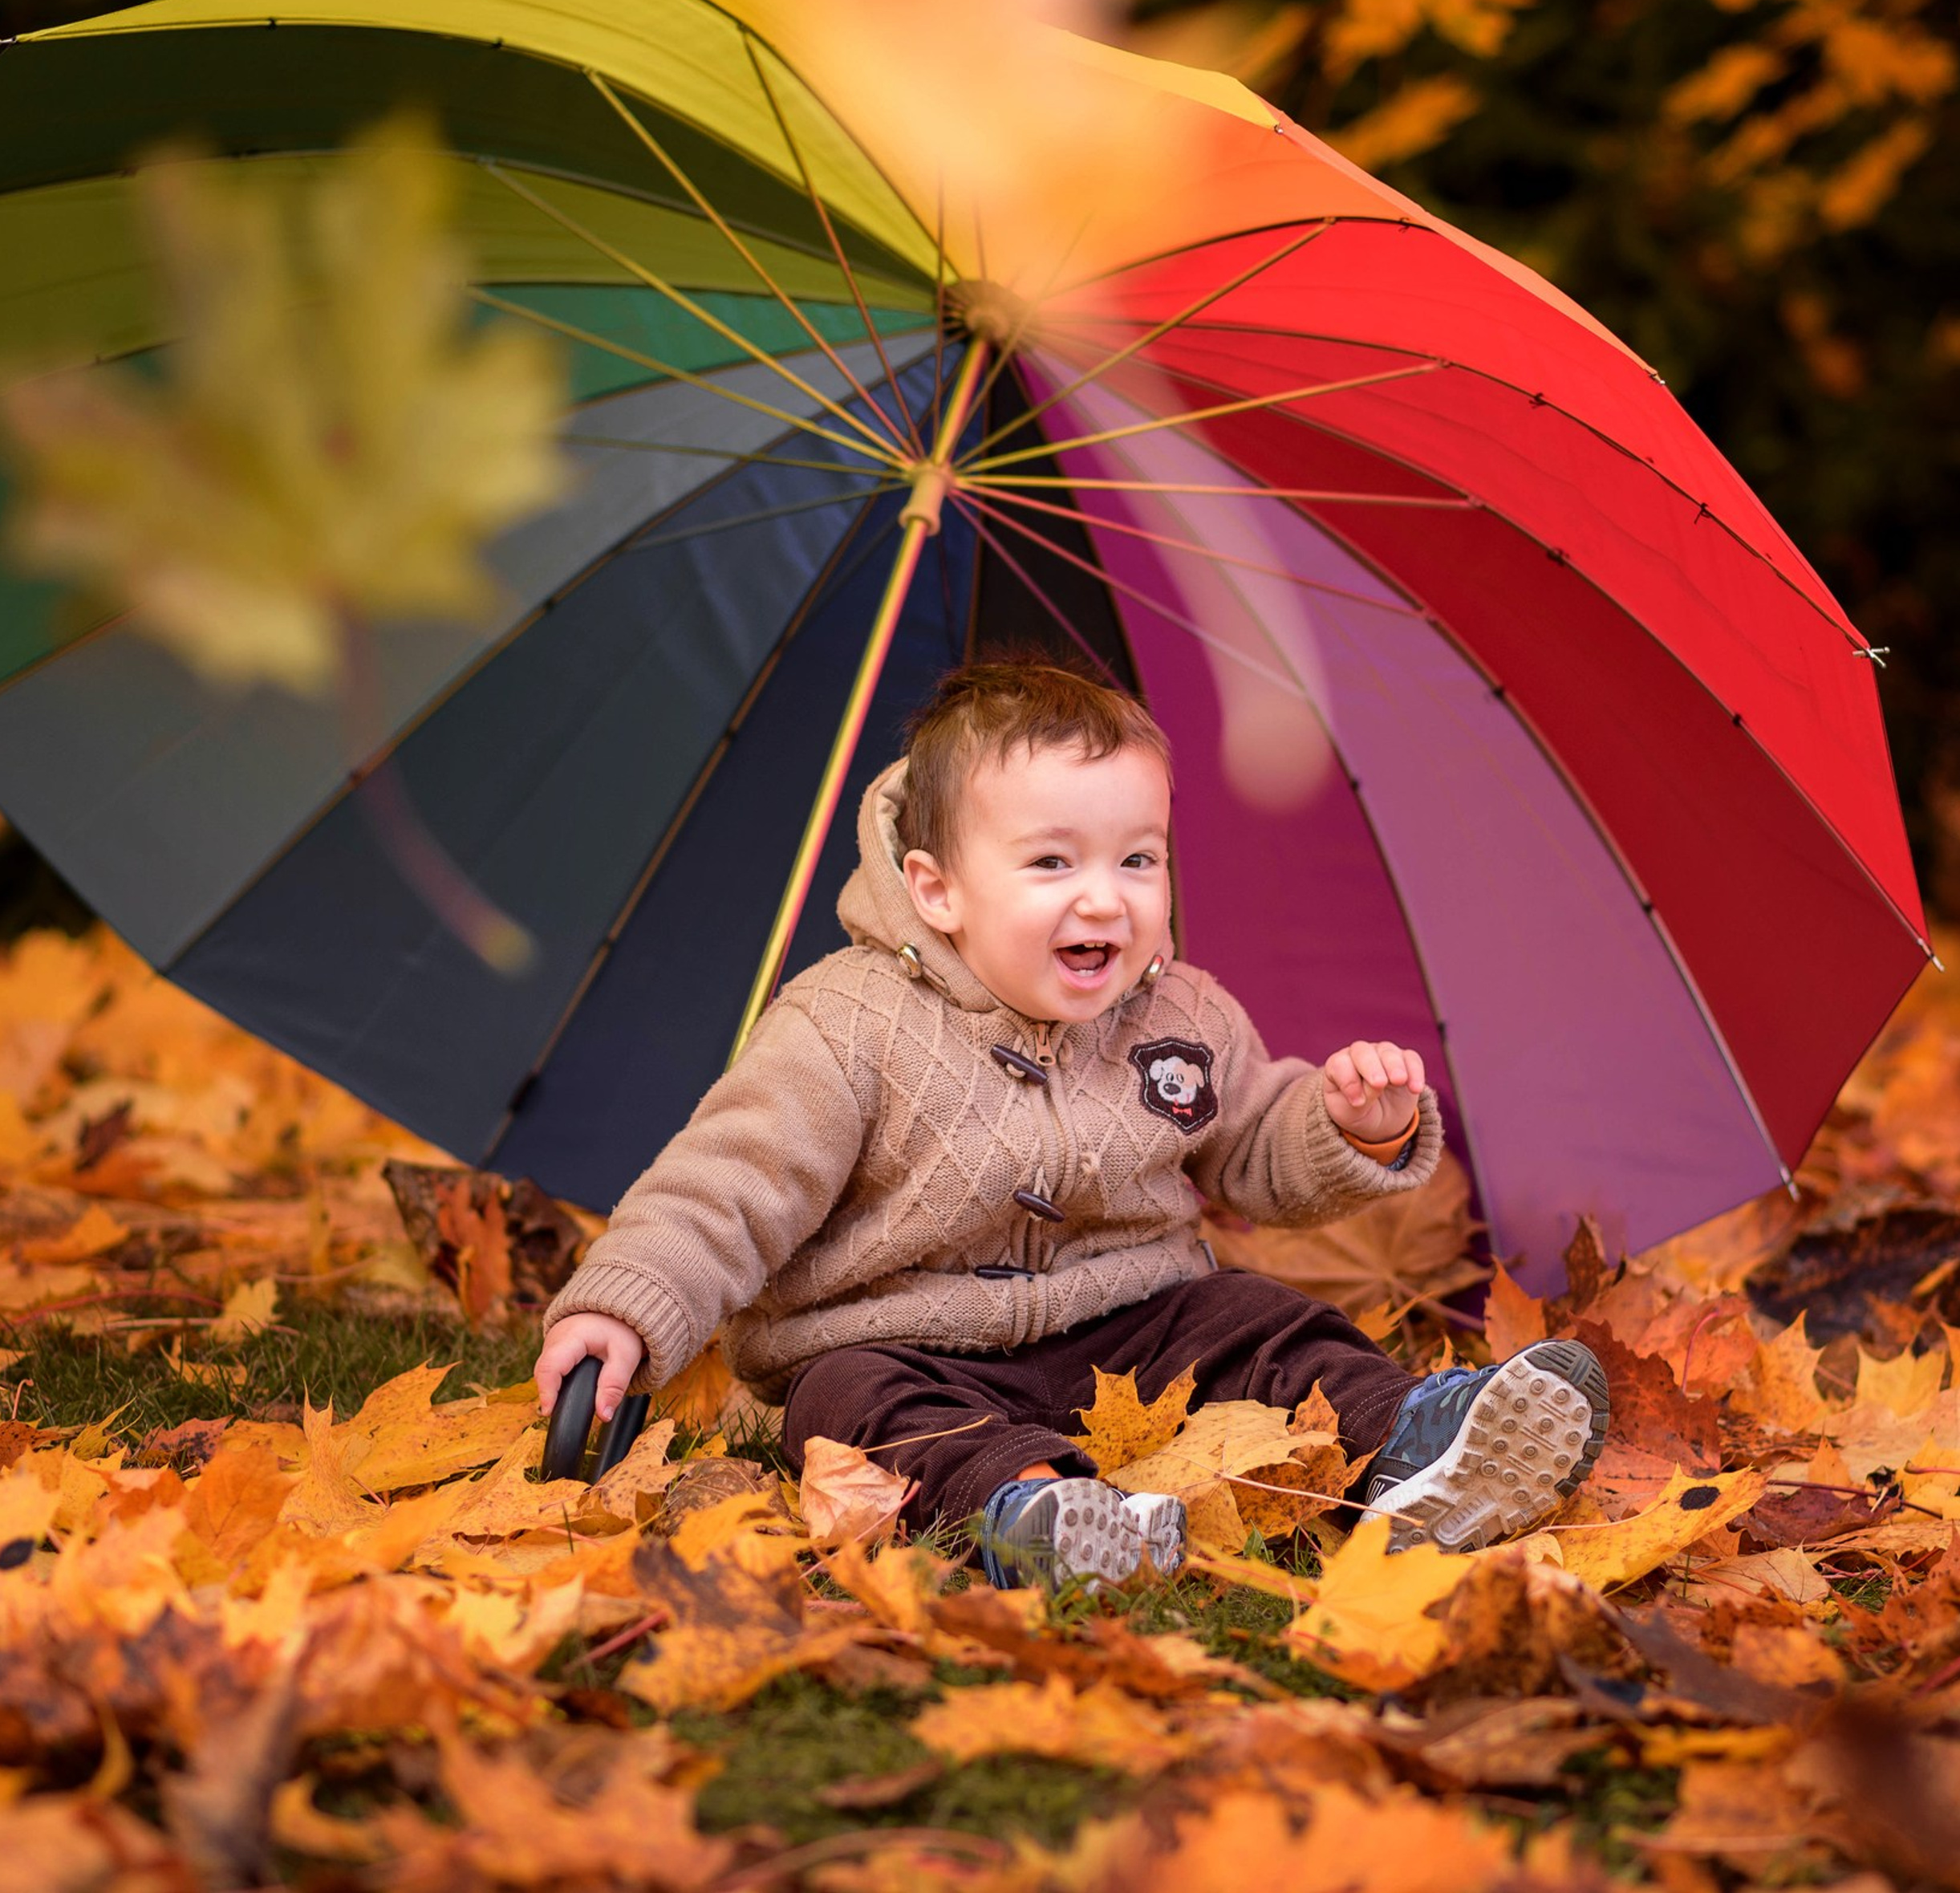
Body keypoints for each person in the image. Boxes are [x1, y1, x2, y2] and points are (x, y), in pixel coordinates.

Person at [537, 659, 1609, 1589]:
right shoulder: (843, 1023)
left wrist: (1347, 1128)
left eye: (1137, 859)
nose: (1106, 900)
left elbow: (1253, 1149)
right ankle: (1035, 1509)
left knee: (1257, 1317)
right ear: (939, 888)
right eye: (1054, 863)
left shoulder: (1182, 1011)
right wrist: (630, 1311)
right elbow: (728, 1188)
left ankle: (1417, 1445)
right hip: (907, 1342)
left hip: (1135, 1328)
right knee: (847, 1401)